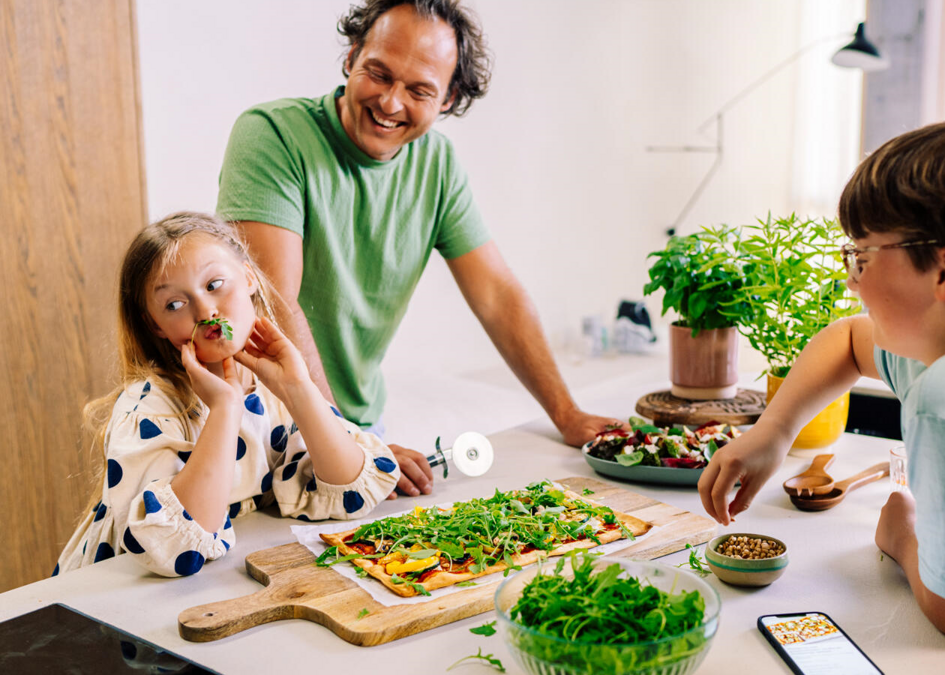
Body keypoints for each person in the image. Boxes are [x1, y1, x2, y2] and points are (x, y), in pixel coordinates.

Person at [697, 112, 945, 673]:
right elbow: (847, 341)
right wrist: (773, 432)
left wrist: (902, 535)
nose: (850, 280)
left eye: (861, 256)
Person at [216, 0, 620, 498]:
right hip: (266, 425)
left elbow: (496, 295)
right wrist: (346, 441)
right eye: (378, 74)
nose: (389, 103)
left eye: (418, 90)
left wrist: (567, 414)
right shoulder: (273, 135)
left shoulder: (438, 164)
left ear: (448, 99)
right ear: (351, 57)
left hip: (357, 428)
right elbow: (274, 300)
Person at [57, 212, 400, 577]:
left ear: (249, 276)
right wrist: (225, 408)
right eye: (175, 304)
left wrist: (298, 388)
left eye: (215, 284)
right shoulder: (150, 407)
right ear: (156, 326)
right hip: (107, 600)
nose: (205, 311)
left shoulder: (273, 390)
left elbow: (352, 492)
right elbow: (176, 551)